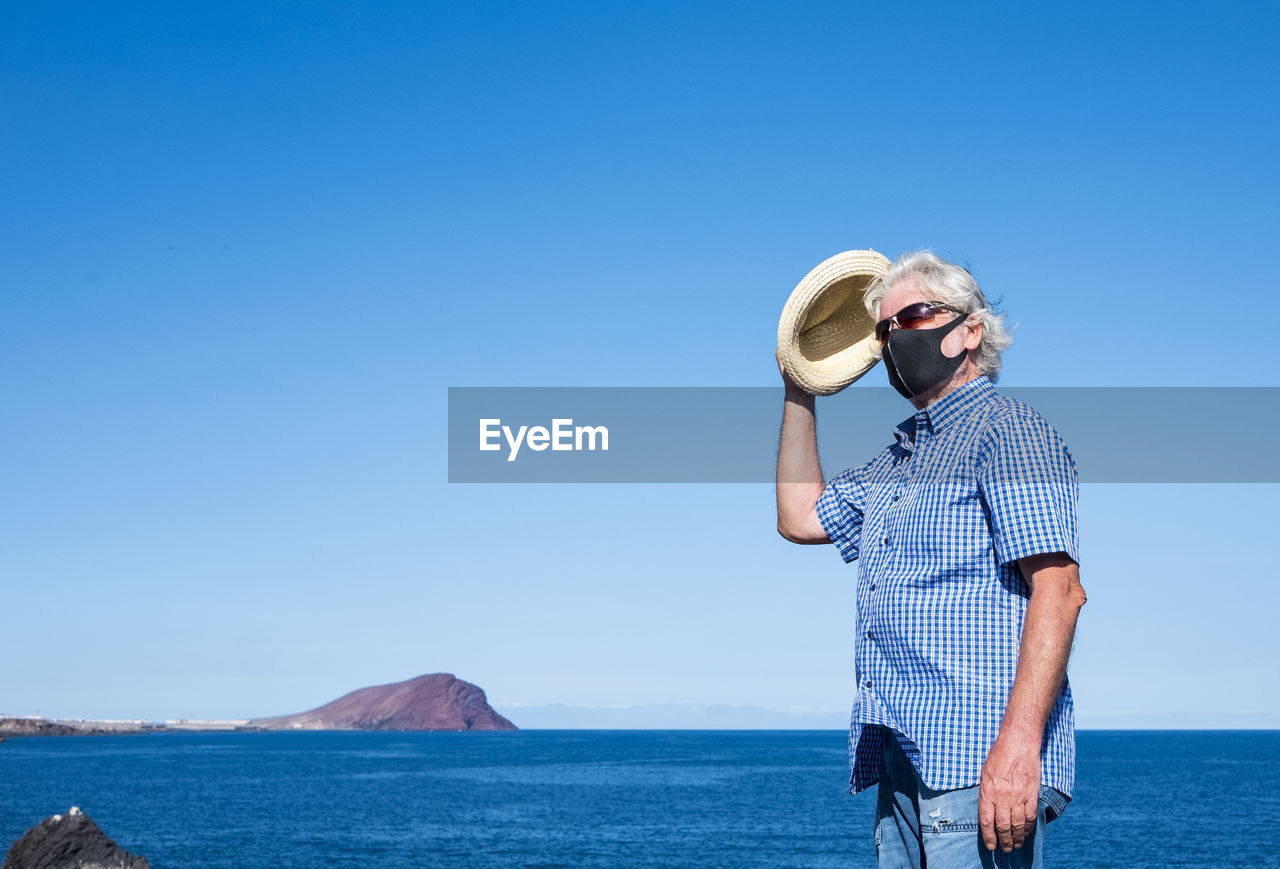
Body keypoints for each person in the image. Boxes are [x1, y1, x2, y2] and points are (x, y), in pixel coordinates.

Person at [775, 251, 1086, 868]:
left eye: (913, 316)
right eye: (884, 330)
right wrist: (798, 389)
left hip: (978, 761)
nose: (894, 339)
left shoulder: (1009, 432)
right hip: (903, 760)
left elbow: (1059, 589)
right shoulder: (900, 460)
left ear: (970, 331)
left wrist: (1018, 749)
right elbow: (799, 517)